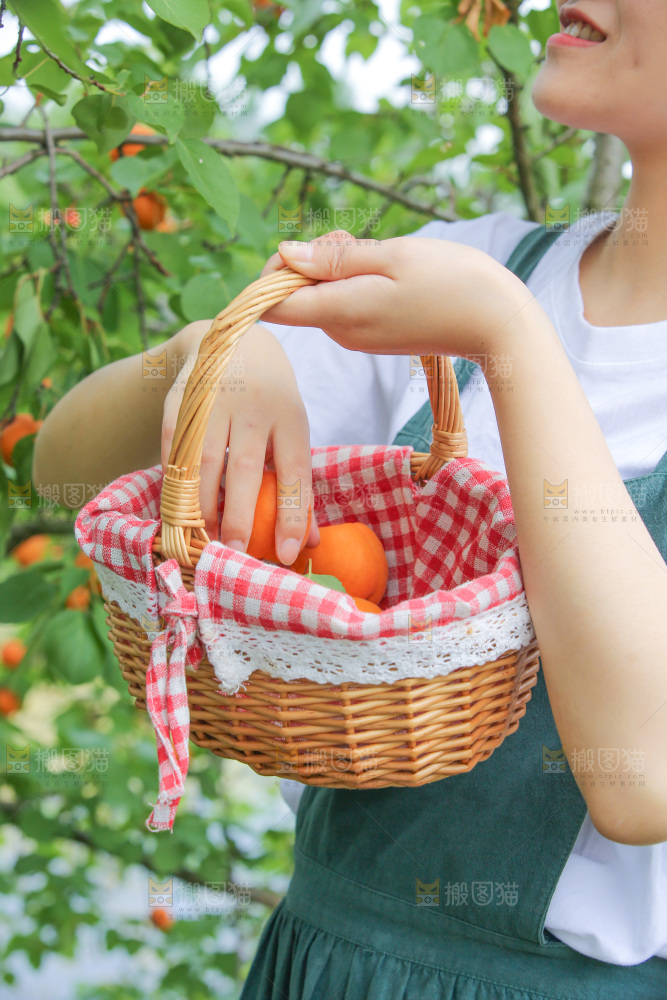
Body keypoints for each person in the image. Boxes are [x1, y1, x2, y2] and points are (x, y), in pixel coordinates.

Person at [33, 0, 667, 994]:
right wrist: (201, 352)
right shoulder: (486, 265)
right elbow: (62, 464)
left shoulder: (484, 298)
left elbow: (645, 778)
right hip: (322, 958)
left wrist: (508, 339)